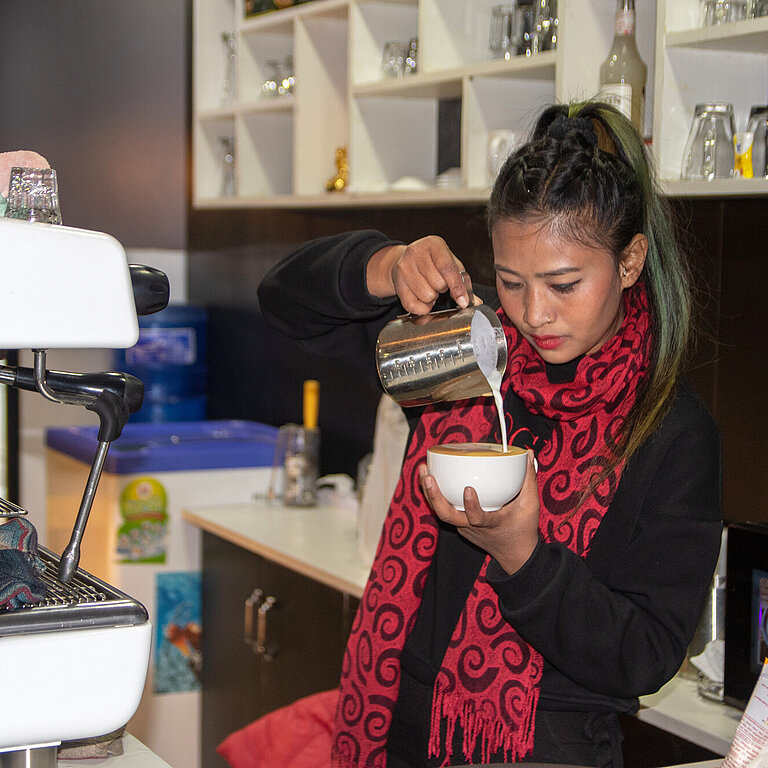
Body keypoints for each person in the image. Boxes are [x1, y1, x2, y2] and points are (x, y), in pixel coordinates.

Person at [257, 100, 722, 768]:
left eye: (564, 284)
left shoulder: (670, 429)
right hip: (394, 729)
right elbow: (282, 301)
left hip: (546, 752)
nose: (535, 313)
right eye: (511, 281)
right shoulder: (467, 348)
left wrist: (524, 557)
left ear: (628, 263)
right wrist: (387, 266)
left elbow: (644, 657)